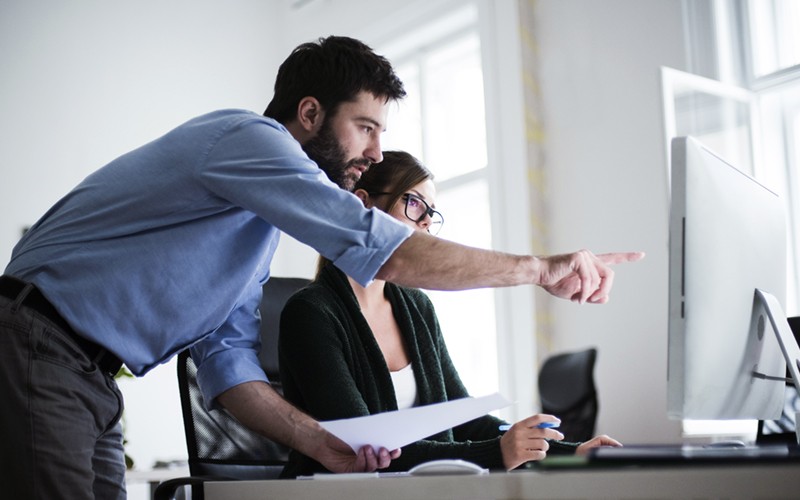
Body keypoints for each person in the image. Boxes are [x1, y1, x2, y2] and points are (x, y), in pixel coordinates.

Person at [0, 35, 642, 499]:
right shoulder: (248, 140)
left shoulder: (251, 240)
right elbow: (380, 245)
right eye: (365, 127)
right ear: (309, 114)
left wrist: (317, 442)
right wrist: (538, 268)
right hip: (42, 340)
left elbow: (227, 366)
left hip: (96, 377)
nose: (376, 149)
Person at [278, 151, 622, 477]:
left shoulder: (416, 306)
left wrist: (572, 452)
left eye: (432, 212)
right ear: (363, 203)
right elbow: (362, 451)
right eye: (413, 203)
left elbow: (464, 418)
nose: (427, 220)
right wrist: (497, 452)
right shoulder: (311, 313)